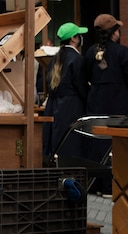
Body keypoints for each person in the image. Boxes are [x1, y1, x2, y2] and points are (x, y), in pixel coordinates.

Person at [84, 13, 128, 196]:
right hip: (118, 104)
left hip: (95, 103)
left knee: (96, 143)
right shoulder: (122, 52)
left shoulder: (90, 52)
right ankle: (113, 186)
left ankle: (96, 185)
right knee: (117, 145)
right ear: (115, 33)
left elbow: (84, 76)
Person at [42, 22, 89, 164]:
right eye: (79, 35)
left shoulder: (55, 59)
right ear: (74, 38)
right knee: (71, 145)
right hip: (71, 106)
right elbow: (81, 86)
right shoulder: (77, 59)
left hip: (53, 105)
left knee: (55, 142)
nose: (81, 37)